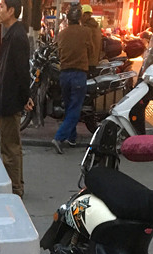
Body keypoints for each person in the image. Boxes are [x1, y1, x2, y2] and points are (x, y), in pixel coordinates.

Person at [0, 0, 33, 197]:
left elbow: (22, 71)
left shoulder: (17, 36)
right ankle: (15, 185)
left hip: (10, 99)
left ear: (11, 11)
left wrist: (25, 97)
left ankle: (15, 188)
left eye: (1, 7)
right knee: (9, 147)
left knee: (10, 149)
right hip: (6, 98)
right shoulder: (11, 34)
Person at [52, 4, 93, 154]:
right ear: (80, 18)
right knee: (75, 109)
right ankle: (59, 138)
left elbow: (58, 51)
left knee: (69, 107)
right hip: (79, 74)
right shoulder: (86, 32)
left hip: (64, 74)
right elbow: (91, 50)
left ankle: (72, 138)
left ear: (68, 19)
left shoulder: (62, 34)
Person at [81, 5, 102, 73]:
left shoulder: (86, 28)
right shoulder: (96, 26)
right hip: (94, 61)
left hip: (87, 62)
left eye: (82, 15)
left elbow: (86, 45)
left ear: (85, 15)